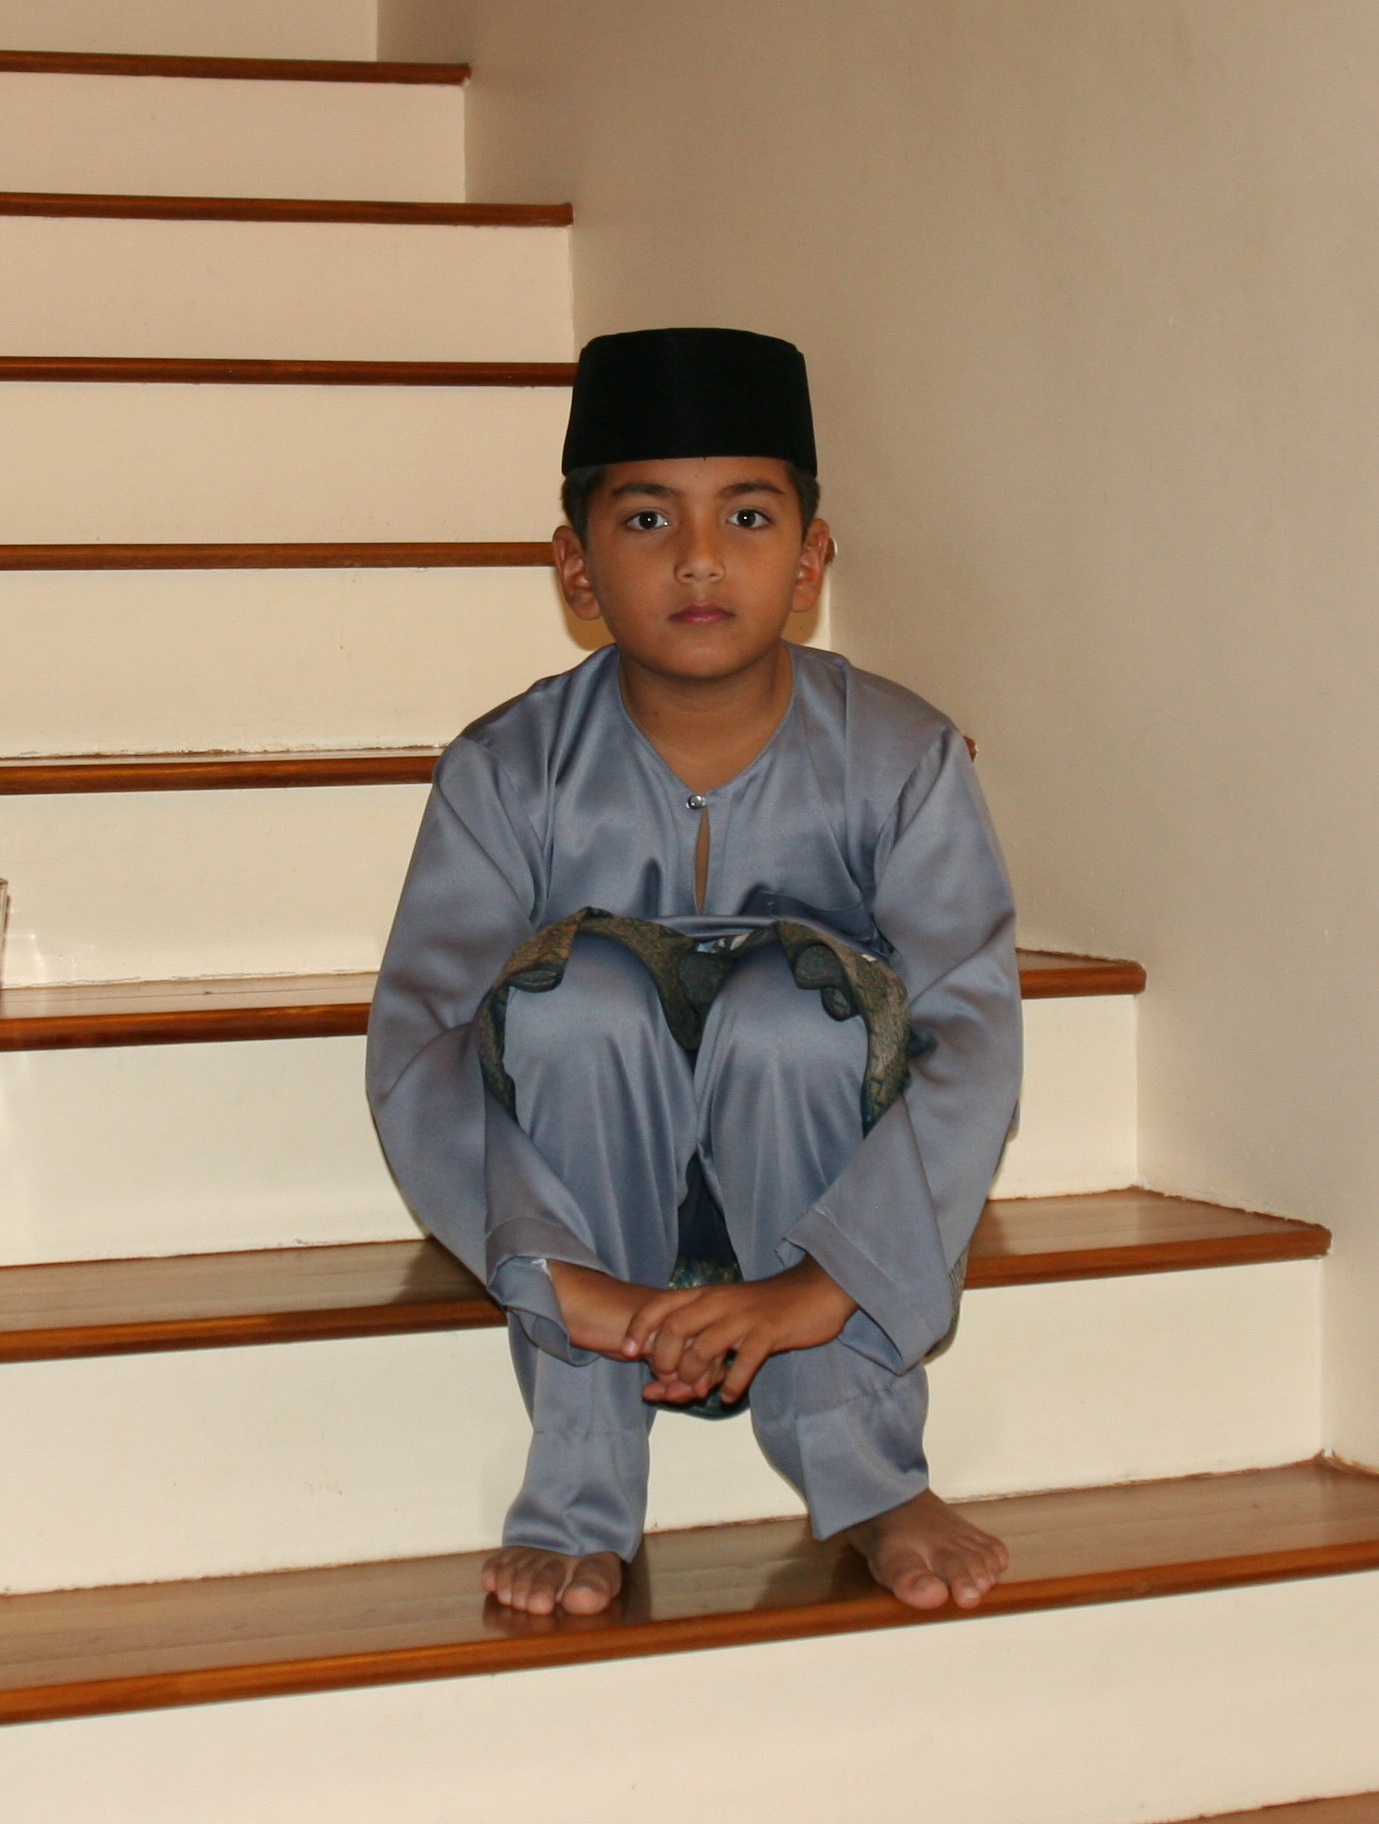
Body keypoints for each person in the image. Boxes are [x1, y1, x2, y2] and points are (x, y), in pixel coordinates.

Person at [366, 325, 1022, 1621]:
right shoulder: (508, 771)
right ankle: (579, 1486)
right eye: (649, 518)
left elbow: (973, 1035)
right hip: (587, 1202)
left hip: (820, 1195)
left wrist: (824, 1283)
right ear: (577, 566)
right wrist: (558, 1279)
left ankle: (864, 1471)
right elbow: (419, 1043)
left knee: (793, 1013)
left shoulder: (901, 758)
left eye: (750, 516)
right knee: (578, 1003)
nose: (701, 558)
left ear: (811, 559)